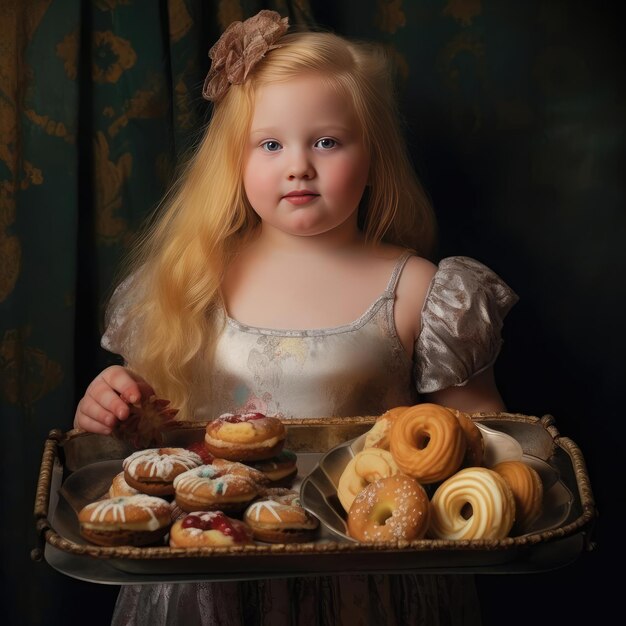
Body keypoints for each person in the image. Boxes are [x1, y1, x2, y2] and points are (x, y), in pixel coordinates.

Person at [74, 10, 518, 626]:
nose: (299, 164)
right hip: (209, 575)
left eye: (327, 141)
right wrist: (106, 409)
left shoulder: (420, 290)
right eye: (270, 143)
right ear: (235, 159)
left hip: (368, 581)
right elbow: (144, 439)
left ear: (373, 154)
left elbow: (487, 441)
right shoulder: (186, 284)